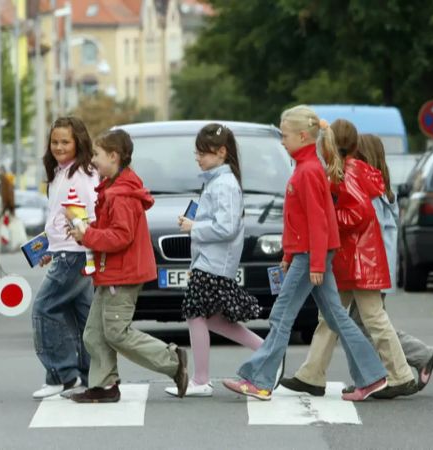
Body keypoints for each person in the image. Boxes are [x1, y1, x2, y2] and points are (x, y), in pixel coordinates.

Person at [223, 105, 388, 402]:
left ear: (302, 136)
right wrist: (289, 254)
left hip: (311, 256)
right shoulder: (307, 168)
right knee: (336, 316)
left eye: (285, 135)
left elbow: (319, 220)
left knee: (281, 316)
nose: (282, 141)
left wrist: (312, 261)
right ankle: (372, 376)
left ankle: (259, 381)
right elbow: (301, 219)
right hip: (307, 255)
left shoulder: (308, 171)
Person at [280, 120, 417, 399]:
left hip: (357, 259)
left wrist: (329, 219)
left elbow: (358, 214)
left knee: (369, 318)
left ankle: (400, 375)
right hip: (354, 257)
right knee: (332, 316)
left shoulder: (350, 172)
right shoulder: (351, 170)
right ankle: (312, 375)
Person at [65, 129, 188, 402]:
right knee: (95, 334)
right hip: (113, 272)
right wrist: (88, 228)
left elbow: (121, 236)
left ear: (114, 156)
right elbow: (112, 229)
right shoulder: (114, 188)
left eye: (97, 154)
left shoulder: (120, 195)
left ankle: (172, 361)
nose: (93, 160)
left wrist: (88, 235)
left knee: (116, 333)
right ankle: (104, 386)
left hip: (122, 274)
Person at [168, 123, 265, 398]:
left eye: (203, 153)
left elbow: (227, 228)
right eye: (197, 152)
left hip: (214, 263)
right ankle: (267, 352)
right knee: (213, 320)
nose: (198, 158)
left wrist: (193, 227)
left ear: (221, 152)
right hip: (210, 261)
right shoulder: (217, 181)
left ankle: (201, 380)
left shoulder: (224, 184)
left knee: (196, 315)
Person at [357, 134, 433, 391]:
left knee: (370, 323)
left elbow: (372, 231)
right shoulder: (383, 188)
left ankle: (416, 357)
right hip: (379, 266)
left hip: (372, 267)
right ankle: (399, 365)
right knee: (369, 322)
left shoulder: (371, 191)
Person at [29, 117, 100, 400]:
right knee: (81, 317)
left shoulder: (80, 175)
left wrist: (70, 241)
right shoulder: (63, 171)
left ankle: (61, 375)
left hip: (74, 255)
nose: (58, 147)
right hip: (70, 252)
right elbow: (62, 216)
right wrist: (50, 245)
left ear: (78, 142)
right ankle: (91, 374)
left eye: (65, 142)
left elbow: (90, 215)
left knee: (44, 309)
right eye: (54, 141)